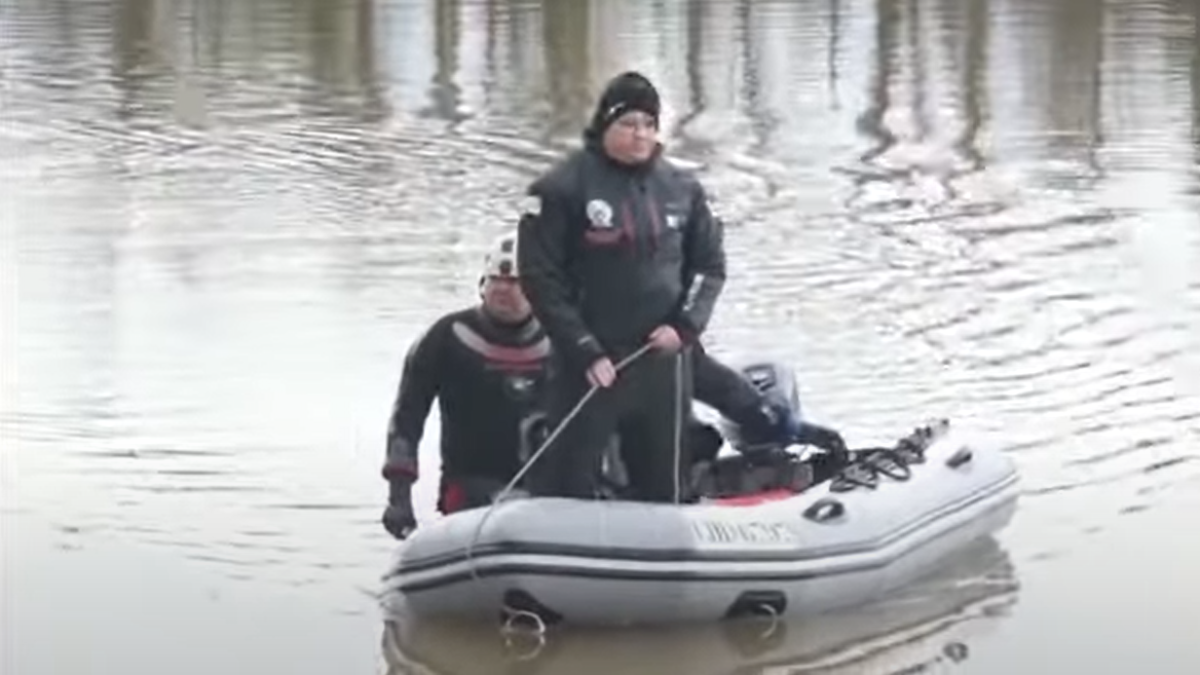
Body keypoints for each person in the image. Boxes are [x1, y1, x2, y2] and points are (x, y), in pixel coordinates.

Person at [517, 70, 727, 503]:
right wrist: (584, 349)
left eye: (649, 125)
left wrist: (685, 327)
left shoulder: (683, 189)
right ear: (606, 126)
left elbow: (708, 268)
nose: (641, 135)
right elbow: (540, 277)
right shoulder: (561, 188)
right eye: (629, 124)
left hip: (661, 363)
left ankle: (665, 555)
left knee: (664, 487)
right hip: (592, 365)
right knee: (566, 485)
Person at [381, 232, 550, 540]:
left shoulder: (565, 341)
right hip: (469, 486)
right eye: (495, 279)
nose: (502, 289)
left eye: (514, 281)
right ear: (482, 284)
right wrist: (399, 496)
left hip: (547, 488)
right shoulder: (446, 337)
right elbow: (407, 419)